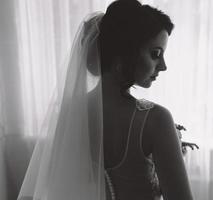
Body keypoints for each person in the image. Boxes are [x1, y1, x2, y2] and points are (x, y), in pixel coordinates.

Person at [17, 0, 194, 200]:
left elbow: (61, 185)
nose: (163, 66)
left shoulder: (71, 113)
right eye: (155, 54)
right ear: (126, 54)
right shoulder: (156, 119)